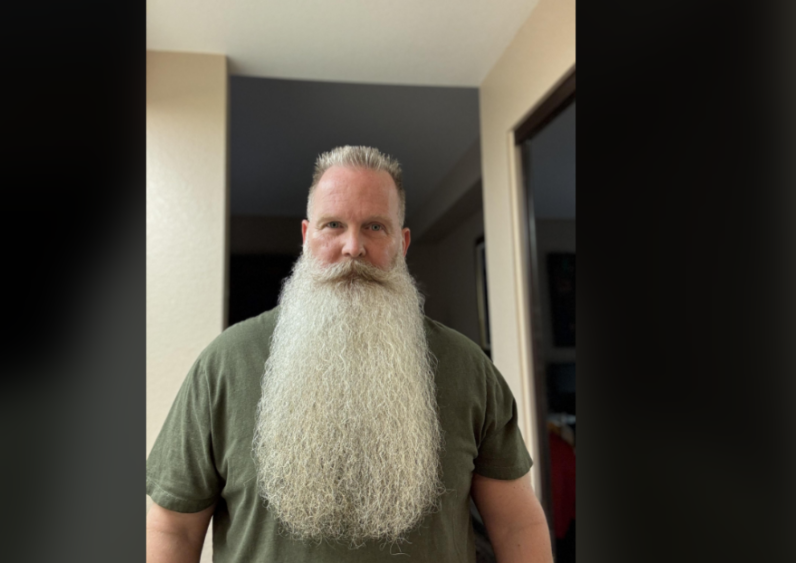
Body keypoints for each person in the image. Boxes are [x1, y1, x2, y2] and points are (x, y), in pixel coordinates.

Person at [146, 146, 553, 562]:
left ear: (403, 242)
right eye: (333, 225)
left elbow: (517, 524)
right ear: (306, 236)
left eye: (375, 226)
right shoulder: (225, 364)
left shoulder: (468, 367)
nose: (353, 247)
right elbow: (173, 529)